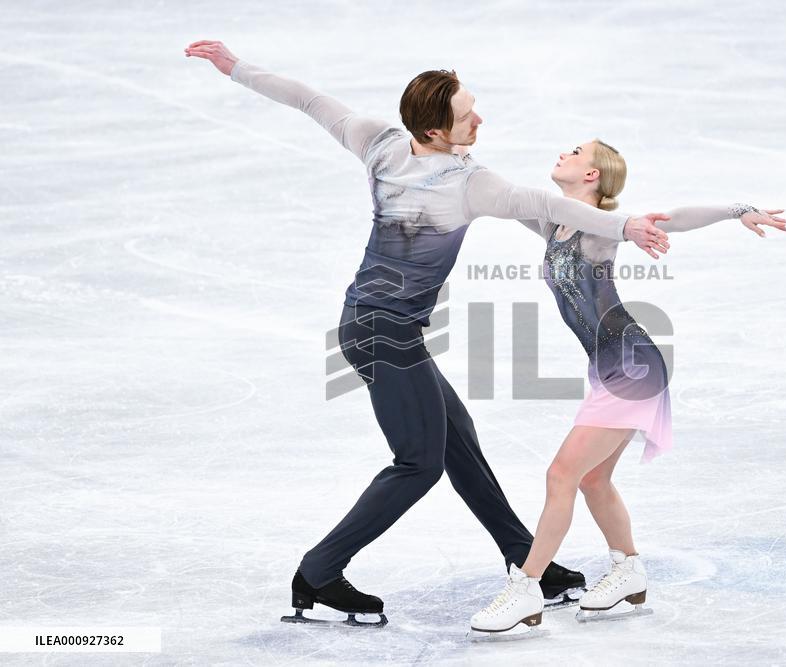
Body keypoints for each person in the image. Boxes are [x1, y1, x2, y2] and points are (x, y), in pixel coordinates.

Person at [184, 40, 675, 626]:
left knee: (457, 440)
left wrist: (234, 66)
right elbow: (554, 206)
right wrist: (624, 224)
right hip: (383, 335)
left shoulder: (380, 142)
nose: (479, 118)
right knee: (418, 461)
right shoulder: (470, 183)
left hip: (371, 325)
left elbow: (308, 100)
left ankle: (523, 557)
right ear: (440, 132)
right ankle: (318, 571)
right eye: (469, 114)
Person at [469, 139, 786, 634]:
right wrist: (457, 164)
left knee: (562, 475)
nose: (563, 153)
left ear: (593, 175)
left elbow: (672, 219)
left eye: (575, 151)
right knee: (592, 479)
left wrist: (738, 210)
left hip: (632, 366)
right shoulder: (556, 223)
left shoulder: (602, 231)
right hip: (608, 366)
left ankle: (525, 588)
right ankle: (627, 570)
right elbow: (508, 199)